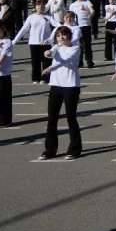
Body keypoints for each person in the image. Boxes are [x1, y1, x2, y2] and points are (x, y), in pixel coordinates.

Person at [40, 25, 83, 160]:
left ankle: (74, 149)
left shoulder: (75, 48)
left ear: (69, 36)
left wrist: (50, 68)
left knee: (71, 117)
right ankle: (50, 150)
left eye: (63, 35)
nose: (61, 38)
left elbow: (65, 61)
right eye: (58, 36)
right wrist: (47, 53)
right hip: (56, 85)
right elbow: (50, 52)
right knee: (52, 118)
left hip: (71, 86)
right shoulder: (57, 47)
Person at [11, 0, 56, 84]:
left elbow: (56, 24)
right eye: (39, 5)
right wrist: (14, 41)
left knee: (46, 61)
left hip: (45, 43)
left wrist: (66, 25)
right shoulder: (31, 17)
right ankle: (36, 78)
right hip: (34, 43)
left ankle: (45, 78)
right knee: (35, 62)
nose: (41, 7)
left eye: (43, 5)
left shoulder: (48, 17)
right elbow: (23, 30)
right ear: (35, 7)